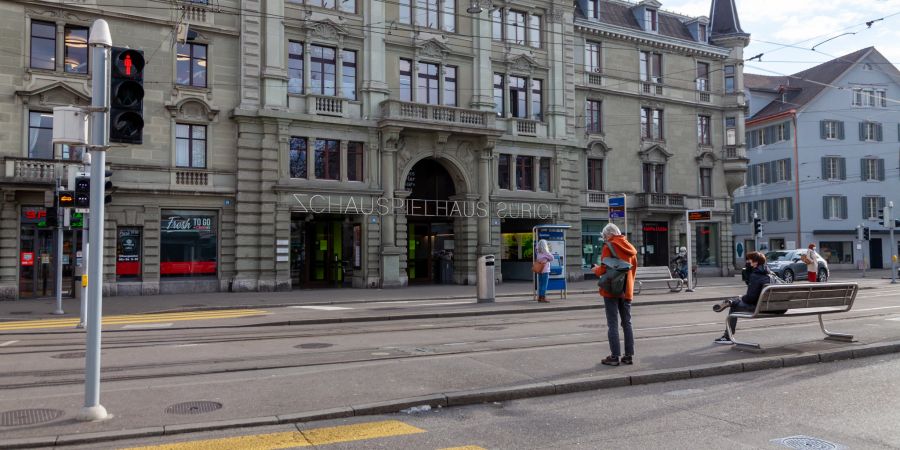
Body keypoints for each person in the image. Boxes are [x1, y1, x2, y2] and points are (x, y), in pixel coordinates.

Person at [591, 223, 638, 366]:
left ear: (610, 234)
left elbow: (604, 270)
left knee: (612, 324)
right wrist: (628, 285)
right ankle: (628, 356)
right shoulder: (630, 248)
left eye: (605, 236)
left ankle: (614, 356)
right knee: (627, 323)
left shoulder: (609, 246)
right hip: (626, 289)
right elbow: (633, 270)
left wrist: (596, 270)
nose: (605, 238)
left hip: (611, 289)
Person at [711, 251, 770, 344]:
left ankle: (727, 337)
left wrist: (742, 298)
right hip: (777, 308)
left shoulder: (755, 276)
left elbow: (750, 298)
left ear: (756, 262)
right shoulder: (770, 274)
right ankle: (731, 301)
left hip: (760, 307)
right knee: (738, 300)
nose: (748, 261)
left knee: (734, 306)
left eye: (750, 260)